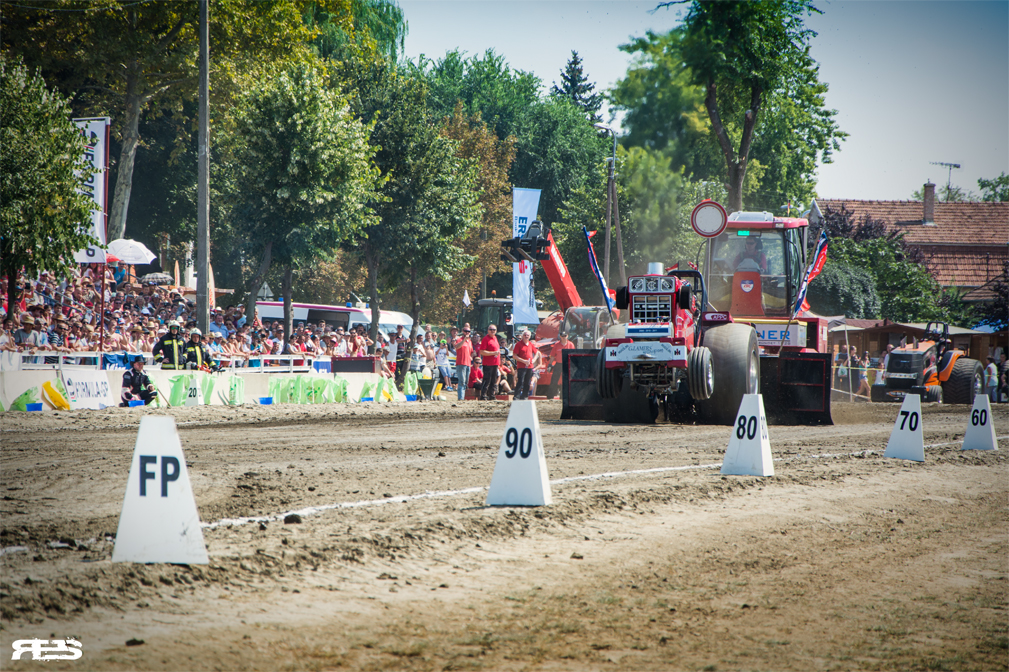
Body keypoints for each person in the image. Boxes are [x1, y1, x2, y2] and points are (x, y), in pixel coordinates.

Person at [512, 328, 538, 399]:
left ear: (530, 336)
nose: (526, 336)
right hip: (521, 366)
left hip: (530, 366)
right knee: (520, 381)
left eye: (528, 335)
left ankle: (525, 396)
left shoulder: (530, 344)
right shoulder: (518, 344)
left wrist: (534, 359)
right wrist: (524, 361)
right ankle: (516, 396)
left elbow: (537, 352)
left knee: (527, 382)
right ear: (523, 336)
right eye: (525, 335)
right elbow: (514, 356)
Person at [478, 324, 501, 400]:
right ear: (488, 330)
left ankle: (491, 395)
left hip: (495, 363)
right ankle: (483, 395)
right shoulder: (486, 339)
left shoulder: (495, 338)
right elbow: (482, 351)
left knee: (493, 380)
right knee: (487, 380)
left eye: (494, 330)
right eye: (491, 329)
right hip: (488, 363)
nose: (492, 331)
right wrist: (493, 353)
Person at [454, 326, 473, 401]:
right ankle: (460, 398)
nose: (467, 333)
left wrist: (470, 357)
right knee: (461, 381)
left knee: (465, 382)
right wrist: (464, 340)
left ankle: (463, 397)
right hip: (461, 363)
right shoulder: (459, 339)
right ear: (463, 331)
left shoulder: (470, 342)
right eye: (466, 331)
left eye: (468, 331)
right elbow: (457, 347)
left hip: (468, 364)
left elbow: (471, 351)